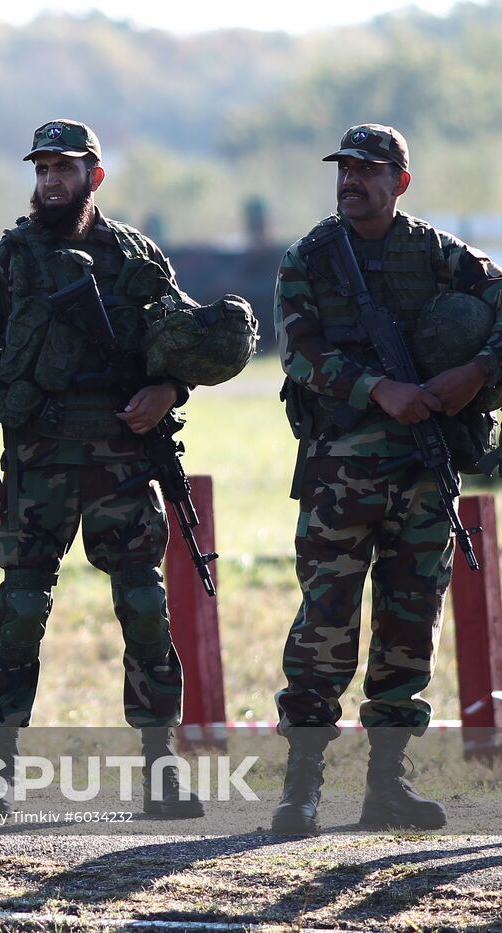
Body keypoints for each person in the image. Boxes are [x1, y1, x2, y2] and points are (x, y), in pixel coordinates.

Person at [0, 120, 202, 817]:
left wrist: (168, 392)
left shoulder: (133, 255)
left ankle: (161, 768)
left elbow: (180, 340)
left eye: (64, 169)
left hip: (122, 464)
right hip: (36, 462)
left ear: (95, 175)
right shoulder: (9, 261)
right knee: (21, 610)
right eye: (42, 169)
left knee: (144, 608)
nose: (50, 181)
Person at [271, 124, 502, 833]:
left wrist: (477, 372)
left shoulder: (441, 256)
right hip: (341, 472)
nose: (351, 181)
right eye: (344, 169)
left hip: (424, 471)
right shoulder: (309, 257)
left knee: (408, 630)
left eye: (368, 170)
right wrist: (378, 388)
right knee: (323, 628)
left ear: (400, 181)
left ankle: (386, 785)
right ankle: (302, 786)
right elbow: (298, 352)